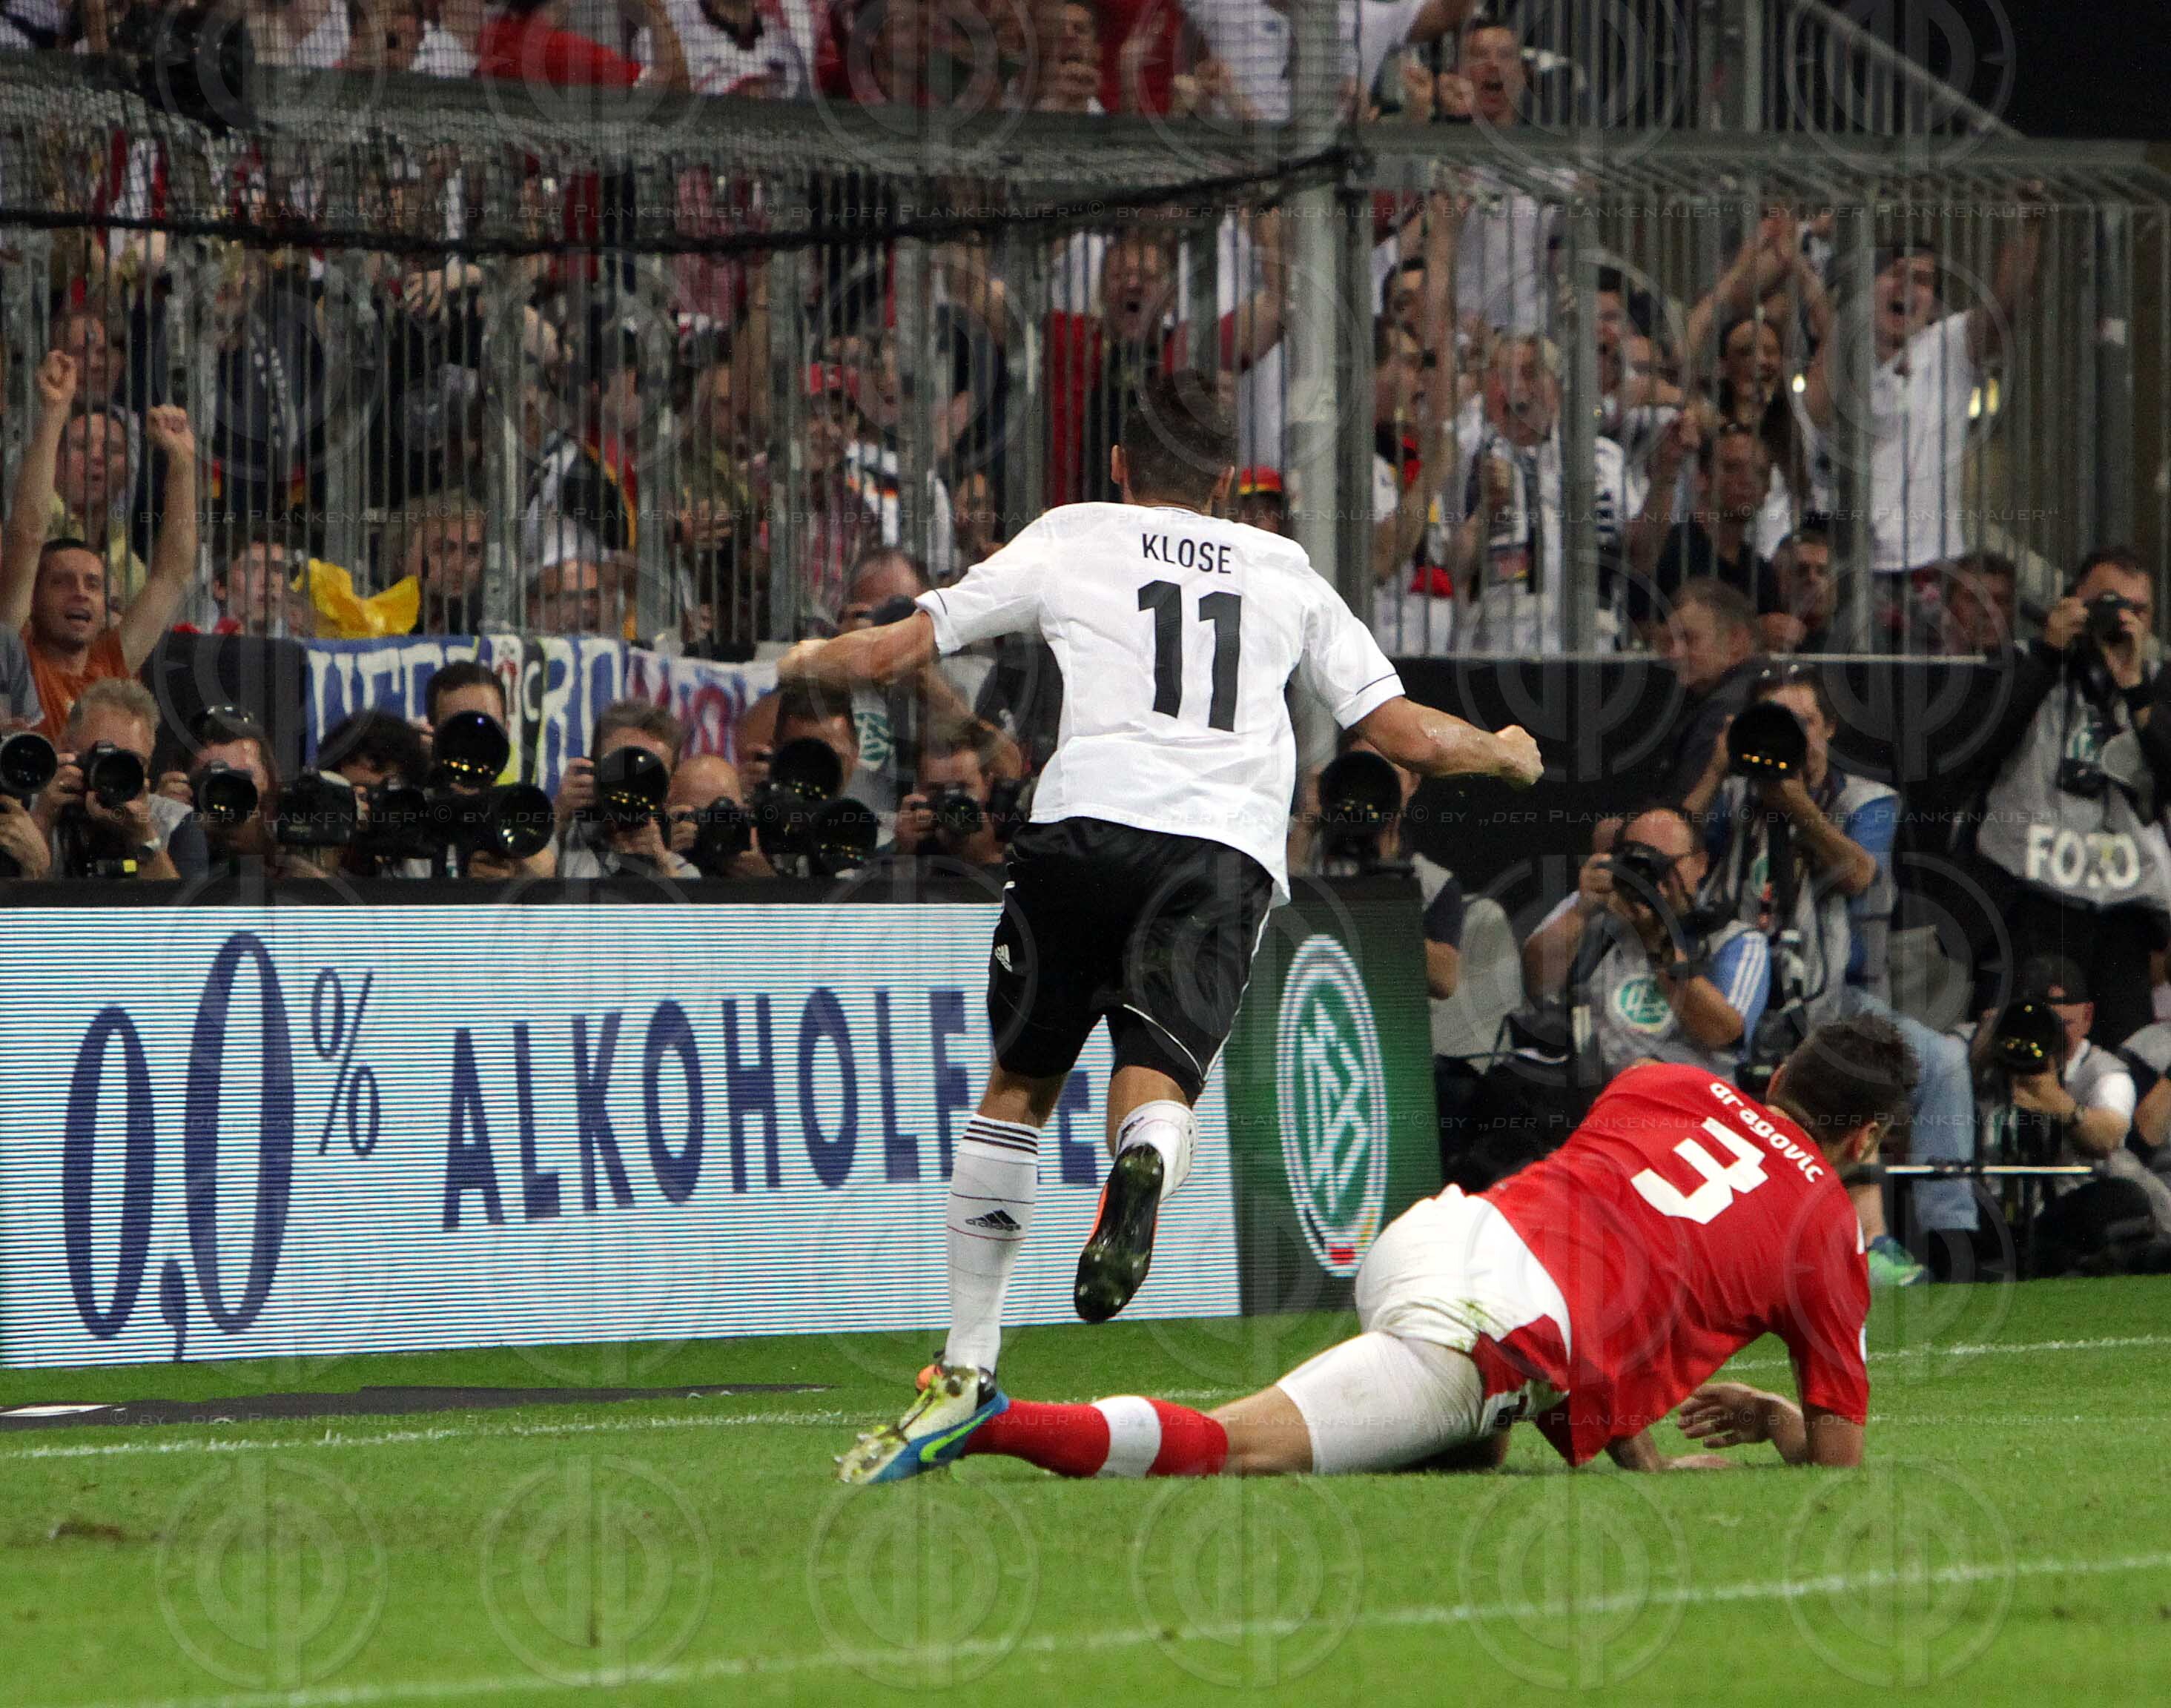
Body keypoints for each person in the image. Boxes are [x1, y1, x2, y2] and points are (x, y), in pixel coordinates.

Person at [779, 367, 1541, 1484]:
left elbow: (898, 647)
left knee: (1021, 1088)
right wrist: (1501, 751)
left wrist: (800, 661)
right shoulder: (1286, 570)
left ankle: (965, 1366)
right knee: (1160, 1077)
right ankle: (1139, 1163)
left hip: (1083, 832)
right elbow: (1404, 736)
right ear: (1227, 482)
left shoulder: (1074, 533)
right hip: (1220, 856)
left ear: (1125, 469)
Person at [903, 1016, 1904, 1482]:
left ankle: (1424, 1420)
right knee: (1235, 1449)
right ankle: (990, 1420)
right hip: (1488, 1329)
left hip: (1436, 1234)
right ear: (1862, 1139)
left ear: (1779, 1075)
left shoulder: (1666, 1085)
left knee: (1479, 1446)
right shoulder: (1826, 1224)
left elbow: (1621, 1249)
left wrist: (1631, 1452)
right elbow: (1839, 1453)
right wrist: (1777, 1419)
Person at [1970, 547, 2169, 1046]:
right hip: (2030, 892)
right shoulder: (2022, 661)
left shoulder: (2158, 682)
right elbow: (1978, 751)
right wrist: (2048, 652)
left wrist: (2134, 685)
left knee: (2128, 1056)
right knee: (2016, 1047)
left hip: (2120, 908)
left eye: (2137, 610)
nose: (2120, 619)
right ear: (2072, 601)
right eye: (2107, 603)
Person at [1, 353, 198, 740]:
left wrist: (183, 463)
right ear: (32, 598)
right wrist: (56, 412)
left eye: (93, 585)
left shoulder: (111, 661)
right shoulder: (15, 651)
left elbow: (172, 574)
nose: (81, 594)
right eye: (61, 582)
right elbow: (26, 536)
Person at [1521, 803, 1770, 1082]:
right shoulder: (1591, 911)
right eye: (1637, 862)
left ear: (1700, 864)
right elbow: (1537, 983)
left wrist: (1658, 941)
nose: (1649, 876)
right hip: (1595, 1103)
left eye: (1664, 863)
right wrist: (1580, 912)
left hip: (1688, 1112)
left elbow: (1723, 1036)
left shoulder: (1736, 940)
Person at [1654, 578, 1765, 807]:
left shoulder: (1723, 711)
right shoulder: (1755, 689)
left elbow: (1681, 809)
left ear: (1736, 640)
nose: (1675, 654)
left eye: (1688, 638)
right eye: (1669, 641)